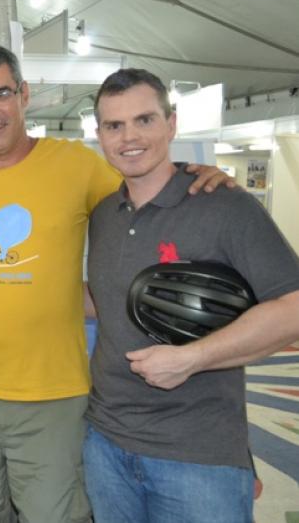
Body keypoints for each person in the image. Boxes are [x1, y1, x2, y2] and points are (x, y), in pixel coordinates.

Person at [0, 44, 233, 523]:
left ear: (24, 94)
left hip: (52, 394)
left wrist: (195, 177)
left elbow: (148, 191)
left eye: (1, 94)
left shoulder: (75, 164)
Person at [83, 68, 299, 522]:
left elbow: (292, 308)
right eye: (114, 125)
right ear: (100, 135)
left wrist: (192, 358)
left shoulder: (225, 205)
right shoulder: (105, 214)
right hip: (106, 444)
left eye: (144, 120)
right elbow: (105, 301)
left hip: (198, 454)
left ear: (171, 123)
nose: (129, 137)